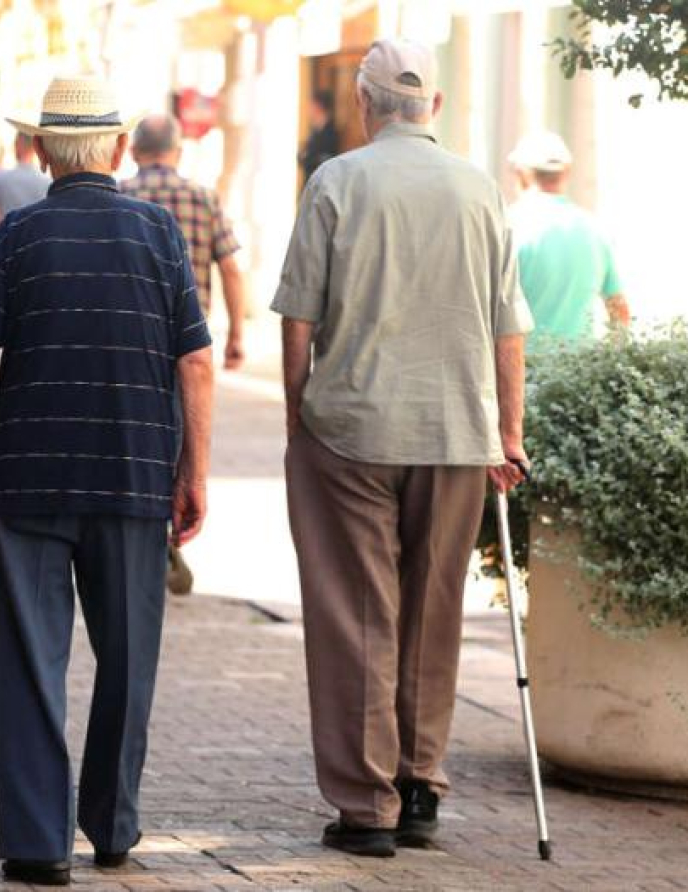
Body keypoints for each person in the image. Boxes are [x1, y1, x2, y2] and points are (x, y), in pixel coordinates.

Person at [0, 73, 214, 887]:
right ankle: (113, 825)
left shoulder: (17, 236)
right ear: (121, 148)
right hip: (133, 474)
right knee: (128, 657)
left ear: (38, 150)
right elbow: (194, 361)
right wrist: (194, 471)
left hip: (29, 479)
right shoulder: (158, 235)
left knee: (31, 658)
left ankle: (35, 842)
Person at [272, 39, 533, 858]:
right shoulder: (482, 189)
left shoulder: (337, 182)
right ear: (436, 108)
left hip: (351, 426)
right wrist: (510, 434)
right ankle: (420, 783)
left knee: (358, 611)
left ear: (363, 102)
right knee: (432, 605)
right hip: (457, 431)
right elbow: (507, 327)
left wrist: (296, 413)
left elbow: (299, 321)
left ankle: (367, 805)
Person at [122, 114, 245, 370]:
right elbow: (230, 269)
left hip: (130, 339)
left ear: (133, 152)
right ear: (178, 153)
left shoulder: (118, 195)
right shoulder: (204, 198)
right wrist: (235, 336)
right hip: (191, 340)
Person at [508, 131, 630, 352]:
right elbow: (620, 313)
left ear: (522, 173)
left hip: (522, 374)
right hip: (576, 376)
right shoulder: (594, 230)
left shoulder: (507, 226)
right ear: (566, 173)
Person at [0, 131, 50, 226]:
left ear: (16, 146)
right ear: (35, 149)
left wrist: (4, 218)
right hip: (35, 238)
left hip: (6, 237)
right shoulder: (46, 183)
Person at [298, 89, 340, 186]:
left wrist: (307, 159)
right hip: (309, 182)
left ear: (319, 106)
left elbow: (324, 160)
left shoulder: (330, 133)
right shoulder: (315, 129)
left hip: (321, 184)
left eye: (311, 105)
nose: (309, 109)